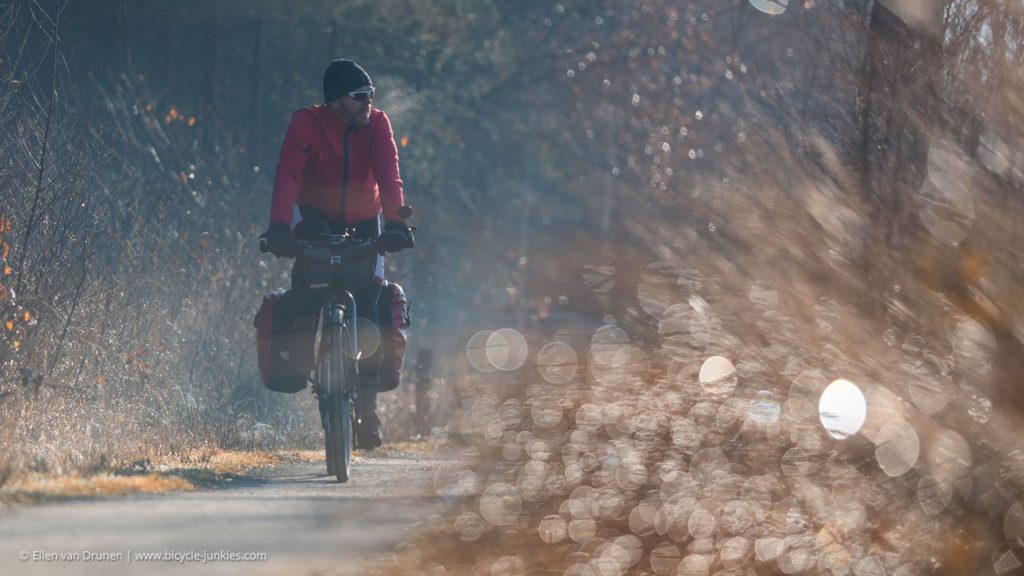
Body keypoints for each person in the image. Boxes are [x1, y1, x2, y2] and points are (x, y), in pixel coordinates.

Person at [260, 59, 414, 449]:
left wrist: (396, 224)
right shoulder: (306, 123)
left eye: (371, 96)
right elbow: (288, 176)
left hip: (366, 219)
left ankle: (366, 407)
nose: (368, 103)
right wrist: (279, 226)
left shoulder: (377, 124)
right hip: (312, 217)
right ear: (334, 101)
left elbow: (389, 175)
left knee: (371, 298)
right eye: (360, 97)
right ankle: (304, 365)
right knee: (307, 287)